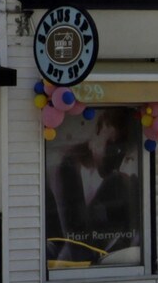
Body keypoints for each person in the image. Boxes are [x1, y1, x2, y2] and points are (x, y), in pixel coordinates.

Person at [46, 111, 141, 266]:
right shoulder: (66, 166)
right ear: (98, 130)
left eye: (123, 152)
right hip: (70, 262)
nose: (117, 161)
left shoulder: (119, 177)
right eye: (113, 148)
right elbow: (75, 240)